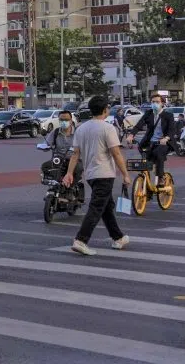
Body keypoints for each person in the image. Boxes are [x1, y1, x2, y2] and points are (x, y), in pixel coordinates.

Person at [63, 95, 130, 256]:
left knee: (106, 207)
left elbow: (75, 154)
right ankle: (81, 240)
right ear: (105, 110)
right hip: (105, 174)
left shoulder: (81, 128)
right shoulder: (108, 128)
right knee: (96, 208)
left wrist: (69, 173)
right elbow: (116, 153)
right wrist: (125, 175)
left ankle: (118, 237)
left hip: (91, 175)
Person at [124, 94, 175, 187]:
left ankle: (160, 178)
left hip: (164, 142)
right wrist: (131, 135)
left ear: (162, 103)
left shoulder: (168, 115)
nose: (155, 104)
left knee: (159, 153)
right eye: (153, 102)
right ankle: (146, 180)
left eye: (157, 102)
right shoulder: (148, 113)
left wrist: (166, 138)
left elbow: (172, 130)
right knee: (142, 151)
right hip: (149, 141)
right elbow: (139, 125)